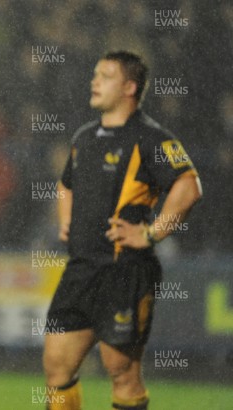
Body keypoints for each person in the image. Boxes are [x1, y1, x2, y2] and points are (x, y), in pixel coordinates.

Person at [42, 51, 202, 409]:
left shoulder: (150, 138)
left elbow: (188, 187)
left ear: (129, 87)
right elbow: (65, 184)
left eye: (106, 76)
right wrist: (65, 219)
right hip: (81, 270)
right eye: (95, 74)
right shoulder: (84, 137)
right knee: (56, 367)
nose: (94, 81)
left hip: (125, 272)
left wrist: (151, 234)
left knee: (121, 371)